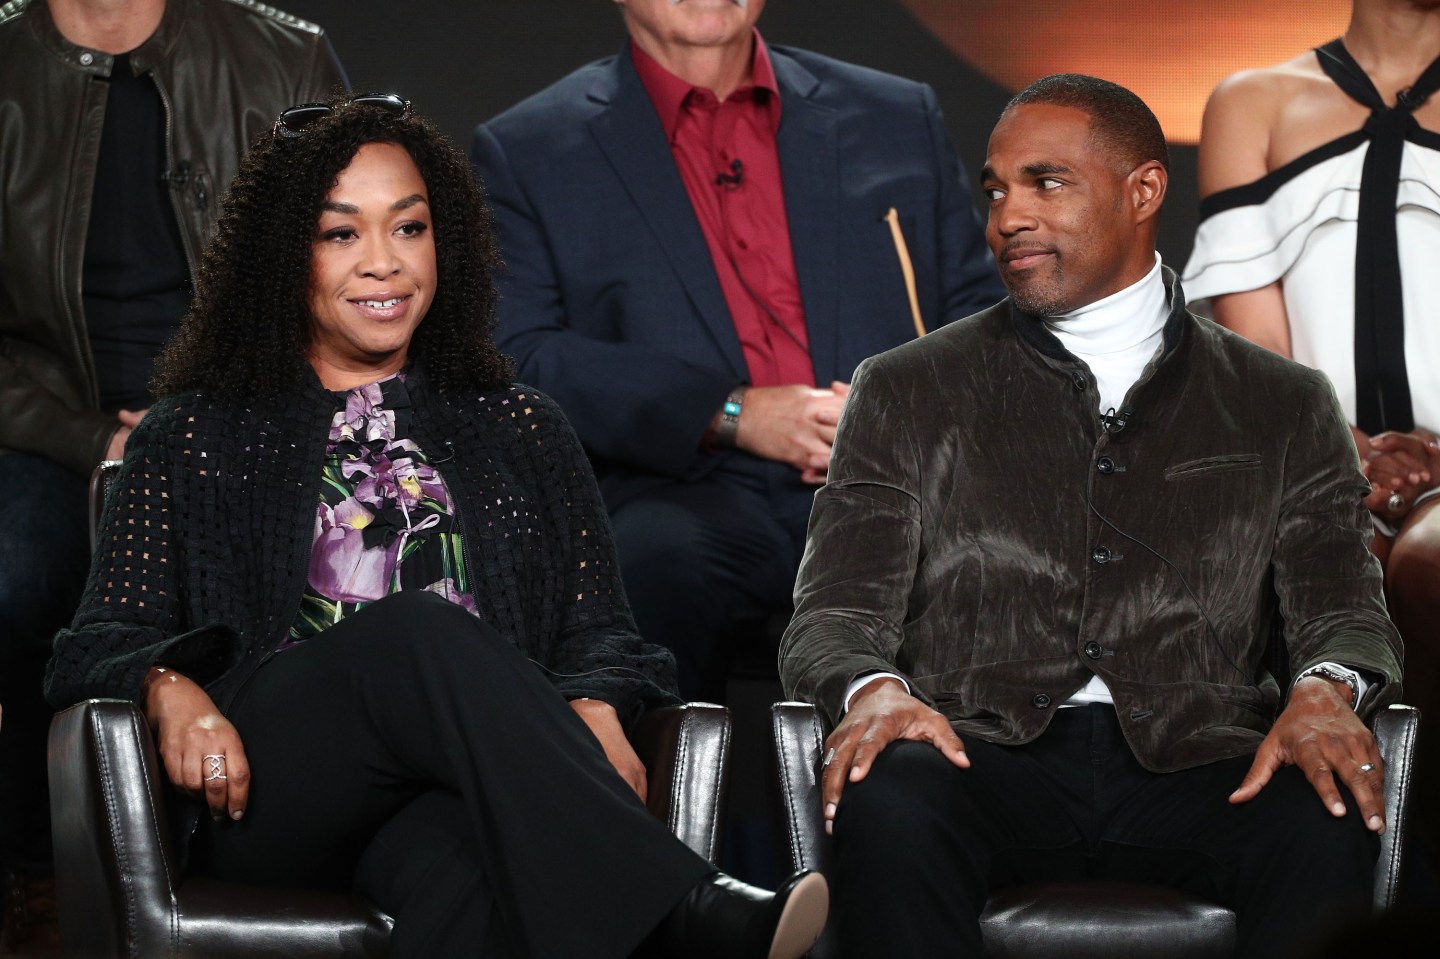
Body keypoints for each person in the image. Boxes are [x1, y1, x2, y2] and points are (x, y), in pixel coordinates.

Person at [44, 94, 827, 959]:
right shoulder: (193, 432)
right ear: (282, 257)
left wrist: (599, 701)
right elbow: (94, 641)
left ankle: (663, 911)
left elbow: (604, 631)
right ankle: (692, 907)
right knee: (418, 631)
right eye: (341, 234)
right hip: (275, 789)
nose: (384, 264)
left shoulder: (519, 426)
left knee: (459, 869)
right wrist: (168, 686)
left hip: (458, 788)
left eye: (408, 229)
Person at [780, 74, 1403, 959]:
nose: (1007, 218)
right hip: (979, 753)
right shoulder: (908, 386)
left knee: (1322, 804)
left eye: (1046, 183)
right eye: (995, 189)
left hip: (1204, 761)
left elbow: (1345, 607)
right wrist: (875, 691)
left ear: (1143, 190)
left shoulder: (1283, 401)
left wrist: (1324, 687)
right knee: (895, 793)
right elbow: (834, 614)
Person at [471, 0, 1005, 699]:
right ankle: (641, 802)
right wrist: (732, 412)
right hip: (682, 494)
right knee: (648, 569)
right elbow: (523, 356)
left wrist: (898, 420)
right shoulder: (531, 147)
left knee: (1010, 560)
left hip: (891, 486)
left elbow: (980, 315)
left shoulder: (894, 114)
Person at [0, 0, 344, 949]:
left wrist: (220, 409)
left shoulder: (283, 56)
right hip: (49, 425)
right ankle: (38, 869)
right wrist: (92, 439)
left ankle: (268, 863)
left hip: (255, 411)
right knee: (19, 576)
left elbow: (352, 265)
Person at [1184, 0, 1440, 864]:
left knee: (1428, 560)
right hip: (1313, 463)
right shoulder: (1251, 100)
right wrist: (1350, 455)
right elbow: (1257, 353)